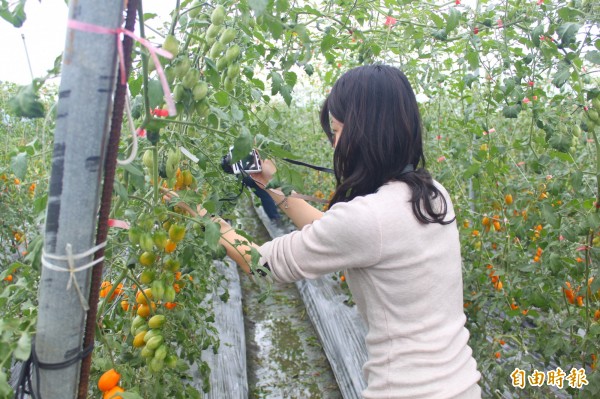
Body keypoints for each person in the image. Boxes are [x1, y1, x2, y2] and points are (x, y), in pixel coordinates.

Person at [200, 65, 481, 398]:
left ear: (362, 133)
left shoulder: (369, 219)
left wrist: (202, 217)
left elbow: (262, 263)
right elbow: (334, 230)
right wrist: (270, 181)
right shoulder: (433, 194)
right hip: (462, 385)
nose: (335, 144)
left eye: (335, 130)